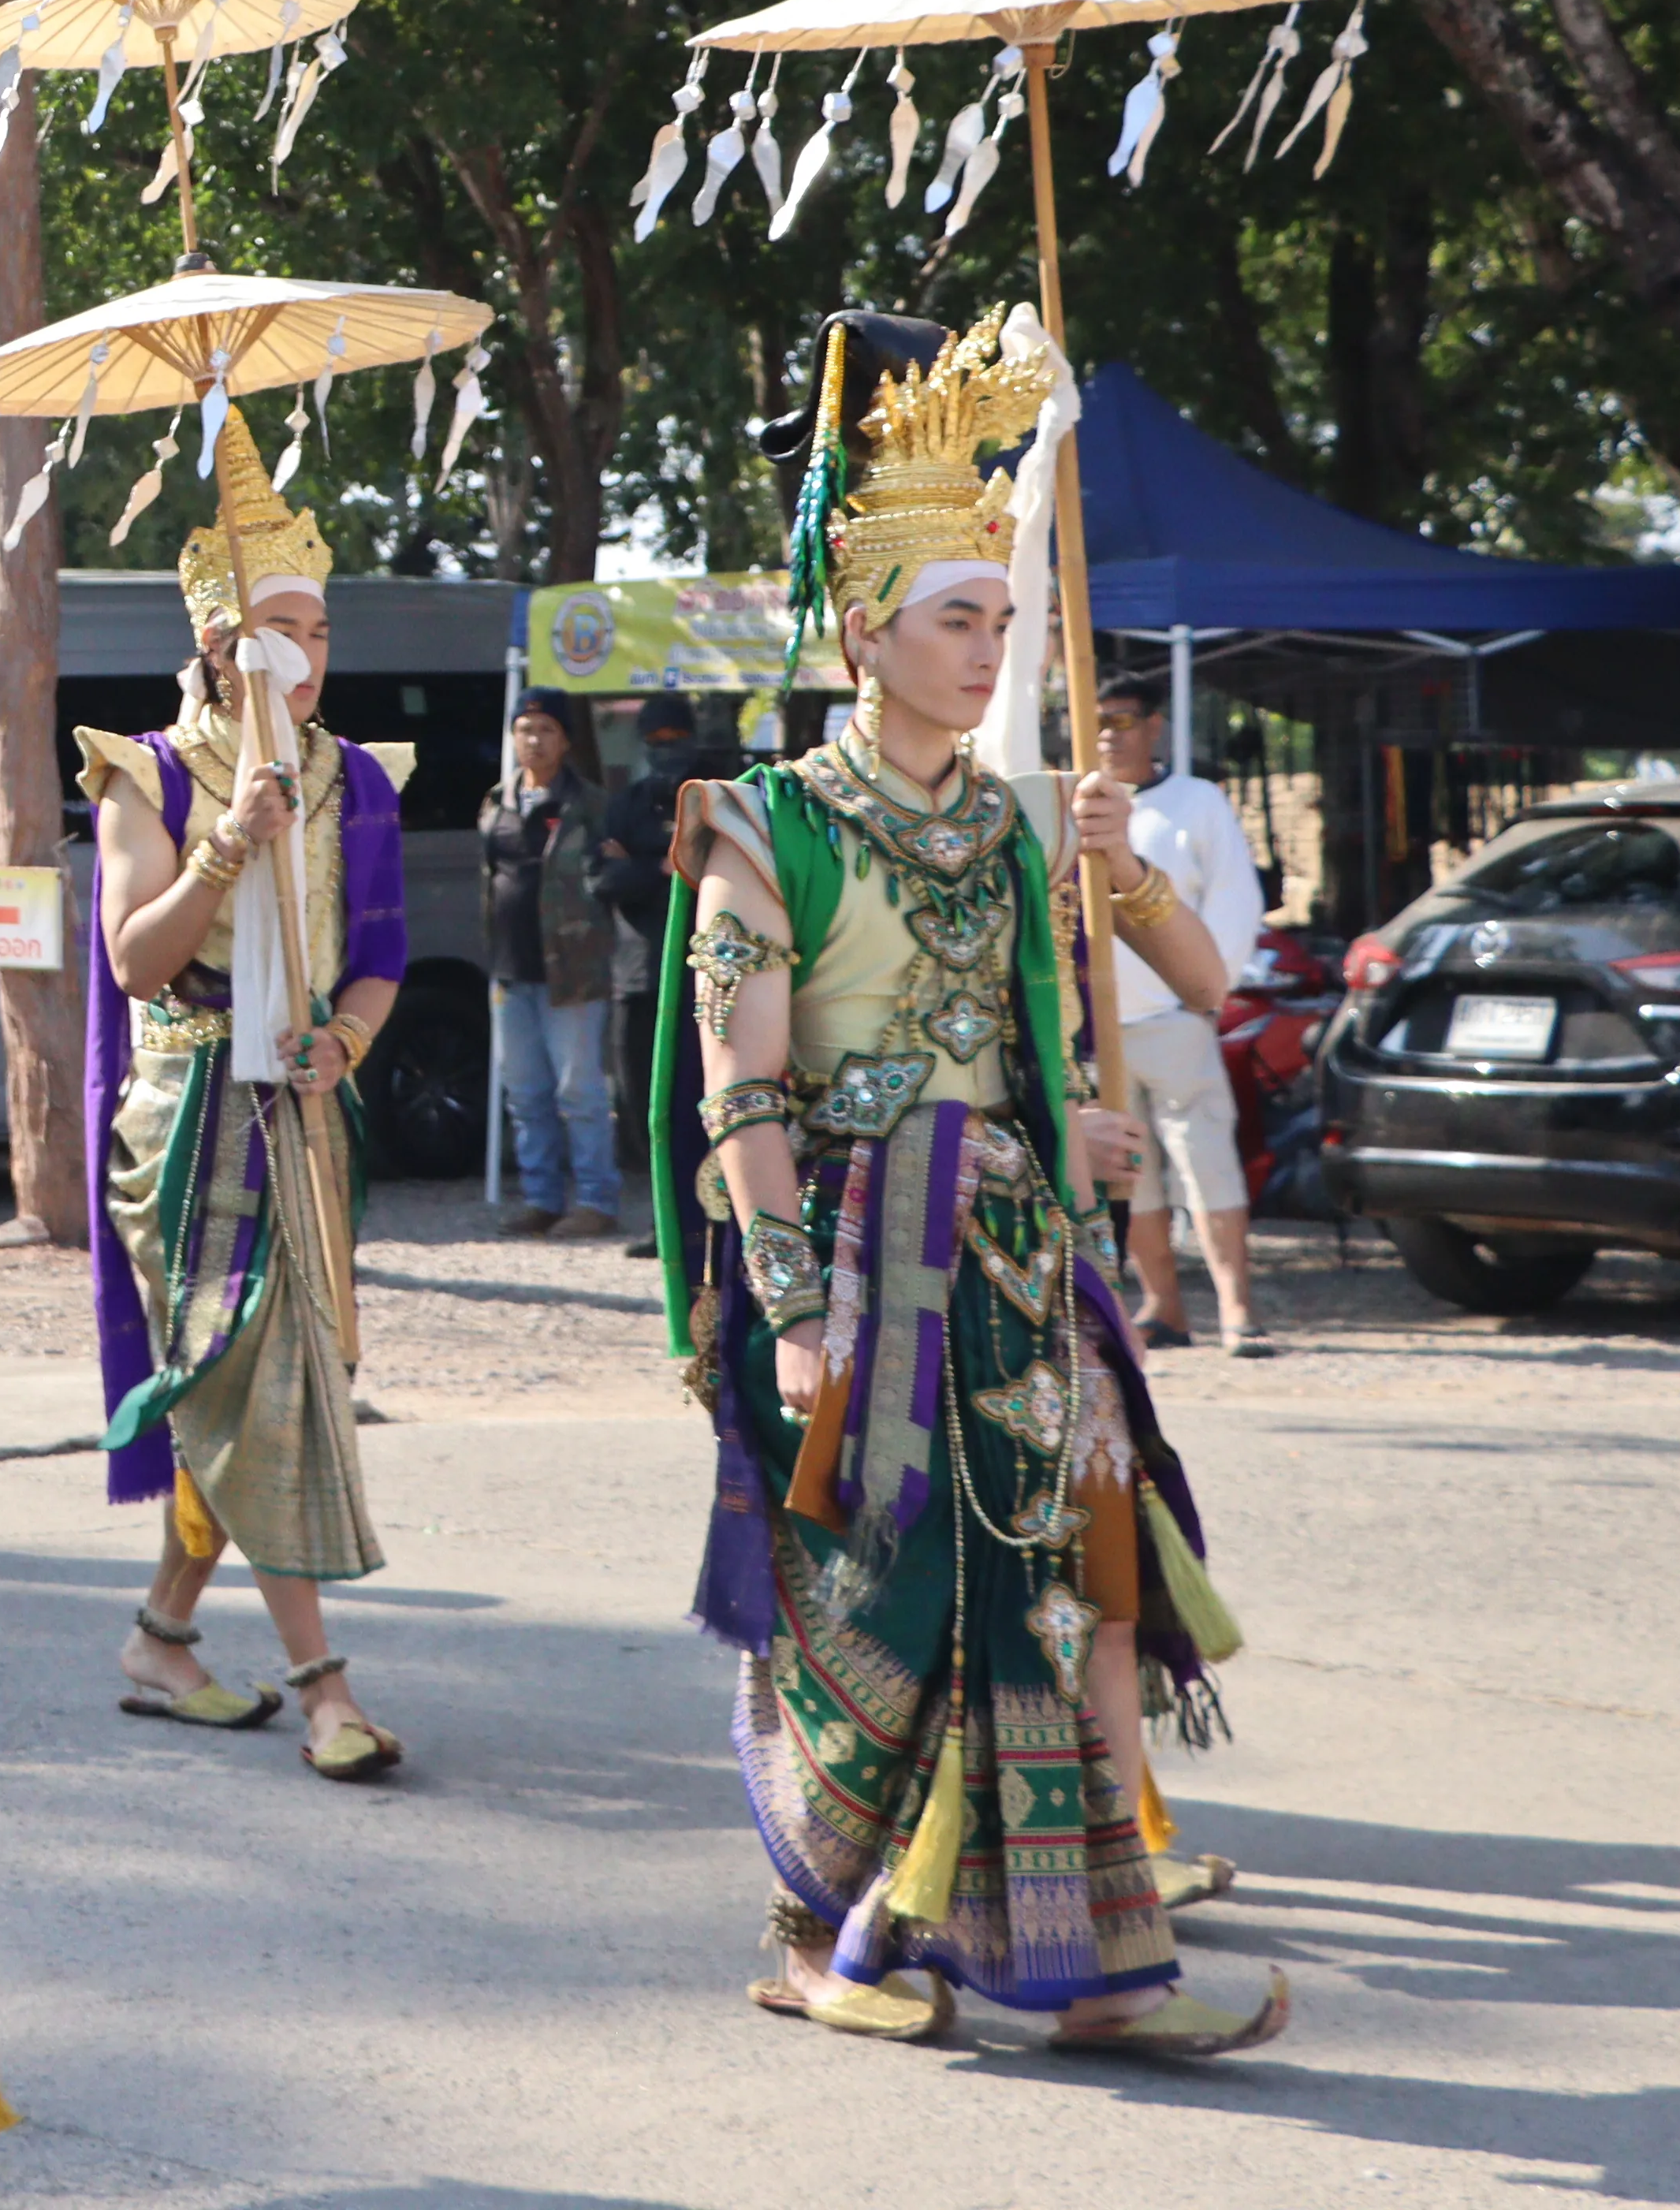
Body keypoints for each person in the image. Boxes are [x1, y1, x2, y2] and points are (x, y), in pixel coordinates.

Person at [657, 310, 1280, 2056]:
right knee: (879, 1594)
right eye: (958, 616)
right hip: (858, 1260)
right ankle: (813, 1925)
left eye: (1004, 619)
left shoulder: (1018, 827)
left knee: (1079, 1572)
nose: (988, 647)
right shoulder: (760, 823)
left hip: (1016, 1258)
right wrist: (788, 1310)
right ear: (864, 630)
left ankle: (1098, 1963)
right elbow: (742, 1087)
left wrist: (1118, 875)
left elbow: (1212, 995)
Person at [79, 412, 411, 1780]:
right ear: (220, 644)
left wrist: (346, 1040)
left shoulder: (359, 785)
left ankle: (163, 1635)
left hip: (306, 1108)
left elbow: (381, 958)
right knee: (254, 1384)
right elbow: (131, 953)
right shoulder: (142, 772)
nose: (306, 659)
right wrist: (223, 850)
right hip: (191, 1109)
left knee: (282, 1383)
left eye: (319, 633)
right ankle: (325, 1684)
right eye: (278, 632)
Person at [1097, 679, 1272, 1354]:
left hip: (1175, 1016)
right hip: (1108, 1024)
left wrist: (1206, 994)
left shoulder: (1194, 803)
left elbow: (1233, 898)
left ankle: (1236, 1308)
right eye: (1097, 720)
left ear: (1154, 727)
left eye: (1123, 719)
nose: (1109, 732)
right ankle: (1163, 1304)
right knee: (1129, 1176)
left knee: (1206, 1163)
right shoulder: (1081, 801)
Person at [478, 687, 623, 1238]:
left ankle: (596, 1200)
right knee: (525, 1091)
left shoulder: (590, 803)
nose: (533, 740)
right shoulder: (497, 802)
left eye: (545, 730)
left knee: (580, 1092)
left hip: (575, 970)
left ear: (565, 740)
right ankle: (540, 1198)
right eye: (524, 729)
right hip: (511, 969)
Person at [592, 689, 701, 1257]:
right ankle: (663, 1223)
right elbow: (602, 880)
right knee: (642, 1106)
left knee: (698, 1105)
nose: (665, 751)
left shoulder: (717, 797)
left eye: (675, 741)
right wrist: (661, 867)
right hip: (637, 977)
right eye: (654, 742)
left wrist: (638, 866)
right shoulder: (628, 802)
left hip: (700, 979)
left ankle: (704, 1223)